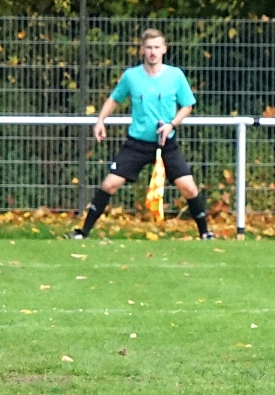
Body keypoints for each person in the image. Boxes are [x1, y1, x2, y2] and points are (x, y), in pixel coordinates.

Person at [73, 28, 215, 240]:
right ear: (142, 50)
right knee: (109, 185)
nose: (152, 52)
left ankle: (205, 233)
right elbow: (114, 99)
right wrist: (100, 120)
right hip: (137, 144)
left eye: (156, 47)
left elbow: (187, 106)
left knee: (189, 188)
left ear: (164, 49)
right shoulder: (131, 76)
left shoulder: (175, 75)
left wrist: (171, 125)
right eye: (148, 47)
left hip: (166, 144)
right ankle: (83, 232)